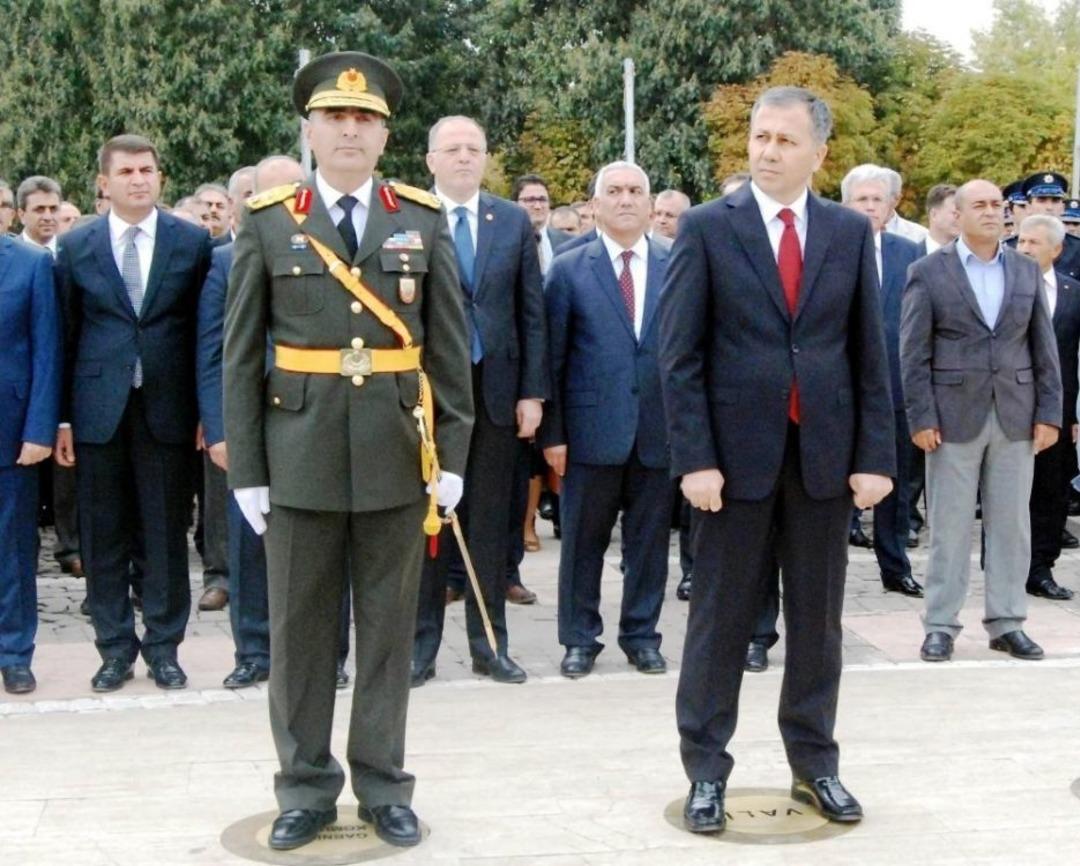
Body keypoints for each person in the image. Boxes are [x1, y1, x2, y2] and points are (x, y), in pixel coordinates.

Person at [223, 52, 473, 851]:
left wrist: (453, 456)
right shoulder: (269, 219)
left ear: (385, 135)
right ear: (310, 129)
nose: (349, 131)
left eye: (364, 119)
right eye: (335, 117)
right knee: (299, 637)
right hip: (297, 457)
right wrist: (248, 470)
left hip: (398, 453)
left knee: (389, 635)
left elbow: (449, 352)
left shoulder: (419, 219)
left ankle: (383, 785)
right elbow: (240, 354)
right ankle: (303, 788)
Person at [659, 86, 895, 833]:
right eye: (761, 136)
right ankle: (705, 771)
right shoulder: (707, 227)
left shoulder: (847, 232)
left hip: (823, 459)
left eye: (785, 141)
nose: (767, 151)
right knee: (719, 622)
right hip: (732, 466)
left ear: (818, 154)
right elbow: (679, 357)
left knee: (818, 626)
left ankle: (815, 764)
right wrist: (695, 459)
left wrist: (875, 456)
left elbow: (869, 353)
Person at [55, 134, 212, 692]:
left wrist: (208, 412)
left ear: (160, 177)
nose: (138, 180)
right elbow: (65, 334)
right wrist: (62, 419)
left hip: (169, 411)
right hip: (98, 412)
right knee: (103, 538)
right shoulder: (77, 245)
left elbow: (204, 333)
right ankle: (114, 649)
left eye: (147, 170)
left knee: (165, 534)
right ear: (104, 183)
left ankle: (164, 648)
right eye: (126, 172)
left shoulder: (191, 242)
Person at [900, 179, 1062, 664]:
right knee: (949, 527)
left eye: (997, 205)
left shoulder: (1025, 269)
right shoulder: (928, 272)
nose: (992, 212)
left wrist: (1049, 413)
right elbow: (913, 352)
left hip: (1016, 413)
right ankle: (940, 624)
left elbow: (1043, 347)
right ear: (958, 214)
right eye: (980, 205)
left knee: (1012, 525)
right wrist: (921, 416)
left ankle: (1007, 622)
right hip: (951, 417)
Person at [412, 116, 547, 687]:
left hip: (496, 395)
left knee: (489, 528)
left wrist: (533, 392)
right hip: (428, 397)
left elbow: (531, 311)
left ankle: (490, 646)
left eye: (474, 148)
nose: (464, 157)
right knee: (427, 528)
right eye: (453, 149)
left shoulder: (511, 220)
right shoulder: (408, 216)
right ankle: (418, 649)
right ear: (431, 160)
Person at [540, 161, 673, 679]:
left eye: (636, 190)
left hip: (658, 431)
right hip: (589, 432)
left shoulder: (675, 262)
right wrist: (553, 434)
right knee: (582, 545)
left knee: (649, 545)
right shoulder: (570, 267)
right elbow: (553, 358)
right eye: (614, 191)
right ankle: (579, 638)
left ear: (650, 203)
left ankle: (641, 636)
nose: (625, 199)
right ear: (595, 205)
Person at [198, 155, 306, 688]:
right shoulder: (225, 261)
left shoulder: (332, 251)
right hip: (251, 422)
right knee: (248, 540)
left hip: (313, 421)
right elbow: (213, 354)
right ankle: (254, 651)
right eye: (267, 194)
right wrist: (220, 430)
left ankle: (324, 653)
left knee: (318, 544)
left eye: (293, 192)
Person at [841, 164, 924, 597]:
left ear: (892, 205)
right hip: (838, 388)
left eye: (878, 199)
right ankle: (828, 570)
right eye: (862, 199)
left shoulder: (908, 252)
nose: (870, 206)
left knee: (896, 482)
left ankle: (895, 567)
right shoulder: (828, 249)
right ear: (846, 204)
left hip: (894, 385)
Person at [0, 235, 61, 694]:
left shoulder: (31, 263)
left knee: (13, 550)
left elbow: (47, 349)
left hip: (10, 430)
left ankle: (14, 653)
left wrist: (40, 429)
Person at [1015, 214, 1080, 600]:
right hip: (1009, 406)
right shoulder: (1003, 287)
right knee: (1006, 493)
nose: (1024, 249)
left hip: (1057, 411)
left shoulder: (1073, 293)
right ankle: (1003, 567)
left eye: (1033, 243)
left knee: (1051, 493)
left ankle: (1040, 568)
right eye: (1021, 241)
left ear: (1056, 250)